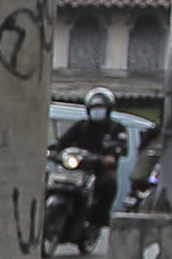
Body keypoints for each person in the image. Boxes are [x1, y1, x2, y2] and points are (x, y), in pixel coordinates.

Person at [54, 89, 131, 231]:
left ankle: (97, 222)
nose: (97, 112)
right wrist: (54, 151)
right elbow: (63, 141)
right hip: (78, 168)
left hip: (100, 169)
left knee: (109, 184)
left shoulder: (116, 128)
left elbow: (121, 147)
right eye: (94, 108)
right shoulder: (81, 126)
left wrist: (111, 156)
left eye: (101, 108)